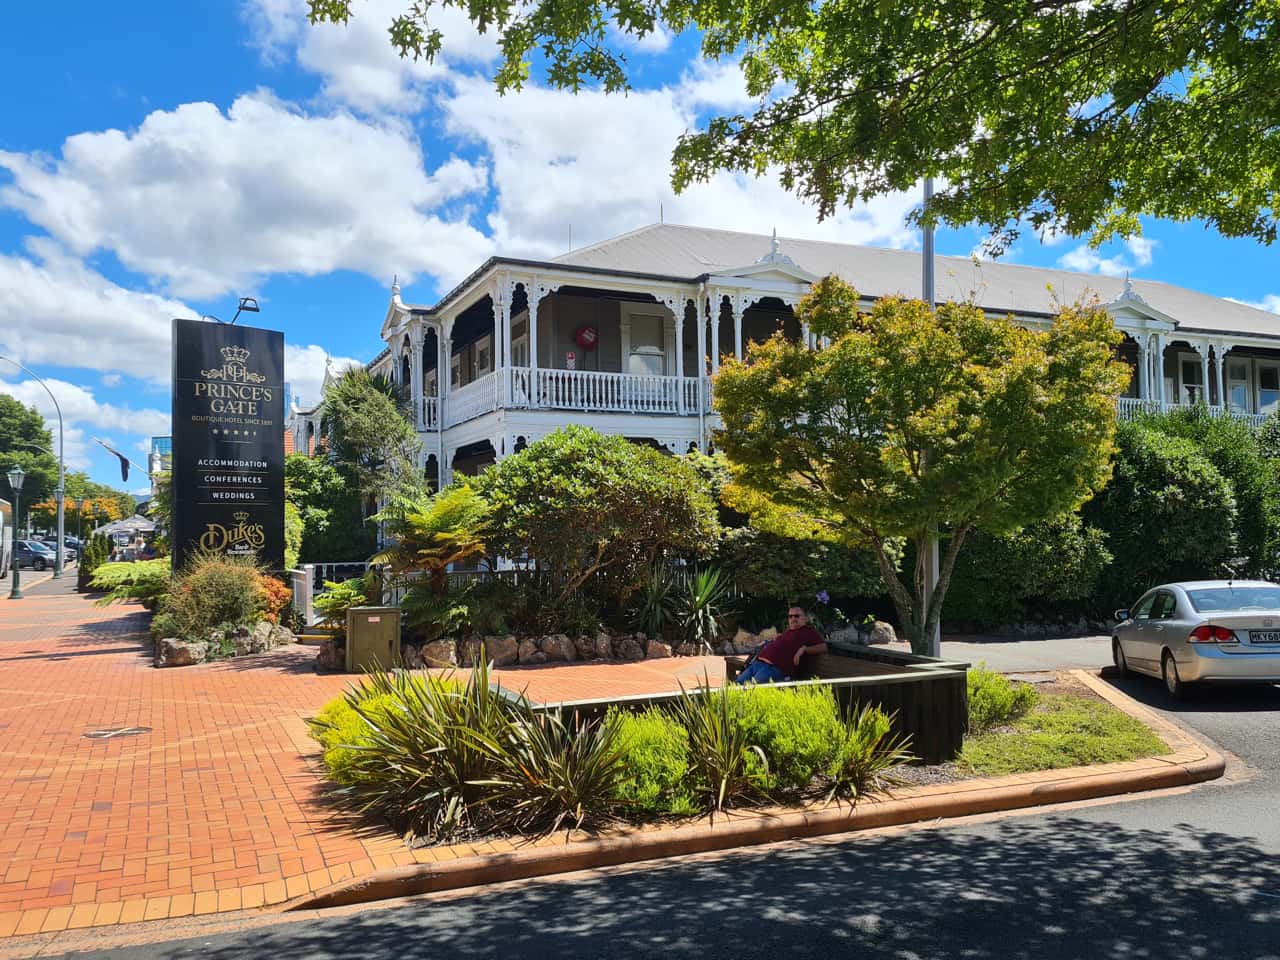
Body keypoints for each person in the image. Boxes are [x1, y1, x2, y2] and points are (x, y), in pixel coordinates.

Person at [733, 605, 828, 684]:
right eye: (790, 616)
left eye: (796, 616)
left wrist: (803, 649)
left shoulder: (808, 631)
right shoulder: (788, 631)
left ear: (804, 618)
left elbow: (823, 647)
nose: (793, 618)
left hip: (774, 669)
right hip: (758, 664)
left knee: (752, 691)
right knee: (736, 686)